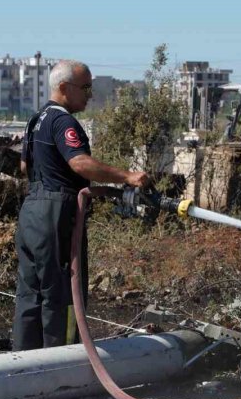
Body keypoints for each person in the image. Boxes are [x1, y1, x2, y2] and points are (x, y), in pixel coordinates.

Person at [13, 60, 150, 351]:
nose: (90, 94)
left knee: (30, 294)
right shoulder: (63, 122)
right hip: (56, 214)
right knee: (62, 294)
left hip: (31, 211)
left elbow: (25, 166)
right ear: (64, 87)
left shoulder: (35, 120)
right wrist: (127, 176)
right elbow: (79, 163)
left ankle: (22, 363)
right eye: (85, 87)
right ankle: (61, 362)